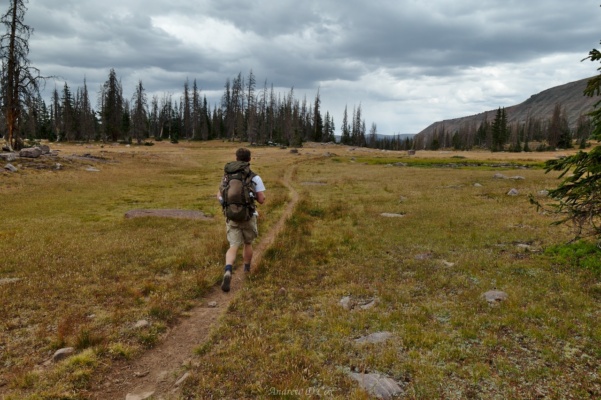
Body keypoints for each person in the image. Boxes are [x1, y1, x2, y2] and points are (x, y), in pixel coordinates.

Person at [217, 147, 266, 292]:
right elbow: (261, 199)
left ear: (236, 158)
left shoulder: (227, 176)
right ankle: (246, 269)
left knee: (233, 245)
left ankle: (228, 269)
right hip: (248, 215)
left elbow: (219, 195)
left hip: (231, 215)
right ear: (249, 159)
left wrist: (227, 204)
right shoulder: (253, 176)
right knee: (248, 242)